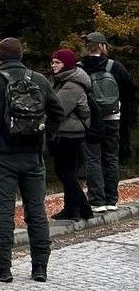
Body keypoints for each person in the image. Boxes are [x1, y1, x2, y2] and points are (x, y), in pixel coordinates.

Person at [0, 37, 62, 284]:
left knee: (4, 212)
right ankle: (40, 267)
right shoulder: (40, 80)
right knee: (36, 210)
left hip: (1, 156)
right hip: (33, 155)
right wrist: (45, 137)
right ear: (21, 56)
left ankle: (1, 267)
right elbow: (57, 111)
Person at [79, 32, 134, 212]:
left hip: (91, 120)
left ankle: (96, 200)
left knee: (93, 158)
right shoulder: (114, 66)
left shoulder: (80, 67)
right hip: (112, 117)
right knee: (111, 157)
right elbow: (130, 87)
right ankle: (112, 199)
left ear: (87, 47)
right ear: (103, 46)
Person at [48, 48, 94, 222]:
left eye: (57, 62)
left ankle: (83, 207)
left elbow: (58, 110)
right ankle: (72, 209)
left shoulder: (71, 85)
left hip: (70, 134)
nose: (53, 65)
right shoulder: (65, 81)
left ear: (66, 64)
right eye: (52, 62)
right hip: (69, 133)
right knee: (67, 171)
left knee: (65, 171)